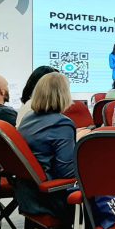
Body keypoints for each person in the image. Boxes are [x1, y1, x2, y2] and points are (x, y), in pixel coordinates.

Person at [17, 73, 76, 220]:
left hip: (27, 194)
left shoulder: (27, 118)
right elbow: (67, 173)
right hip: (53, 198)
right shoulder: (61, 123)